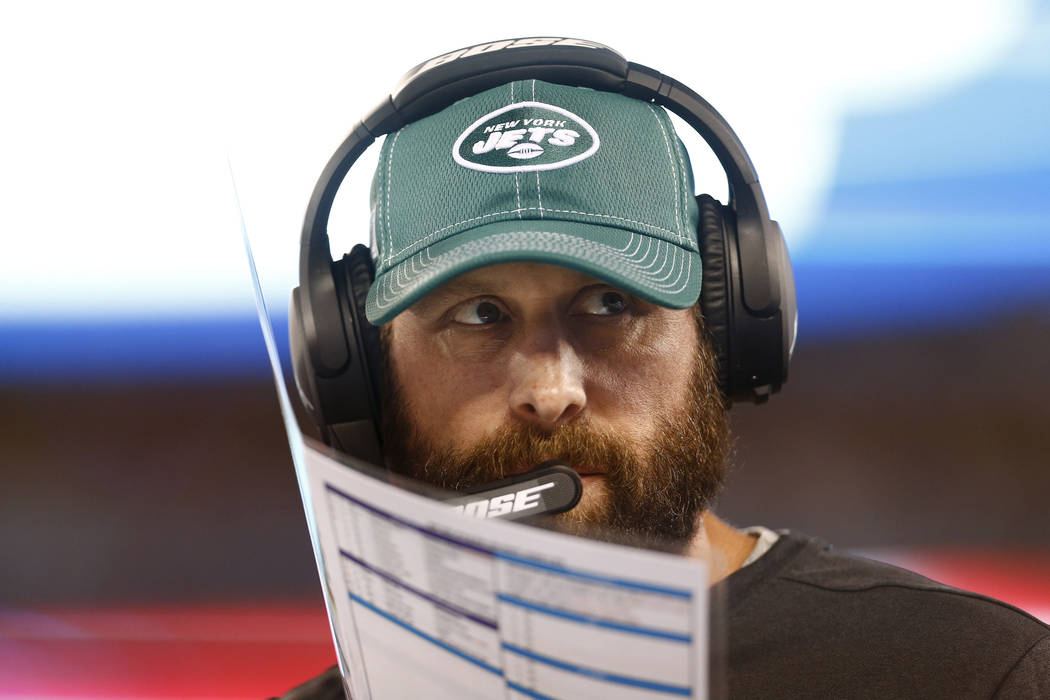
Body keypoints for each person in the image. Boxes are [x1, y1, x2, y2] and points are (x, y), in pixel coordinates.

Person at [278, 42, 1050, 699]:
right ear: (362, 371)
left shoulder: (975, 677)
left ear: (728, 327)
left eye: (611, 303)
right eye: (479, 316)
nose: (551, 392)